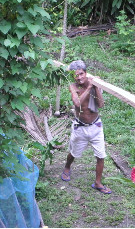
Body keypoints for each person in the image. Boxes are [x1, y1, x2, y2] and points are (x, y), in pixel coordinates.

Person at [60, 60, 109, 194]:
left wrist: (96, 87)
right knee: (73, 153)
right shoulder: (73, 87)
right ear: (73, 77)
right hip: (80, 127)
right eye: (76, 75)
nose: (80, 77)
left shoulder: (94, 84)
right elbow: (77, 103)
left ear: (86, 73)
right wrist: (89, 88)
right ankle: (67, 167)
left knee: (101, 155)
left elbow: (101, 104)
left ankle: (98, 182)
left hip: (96, 126)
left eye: (81, 74)